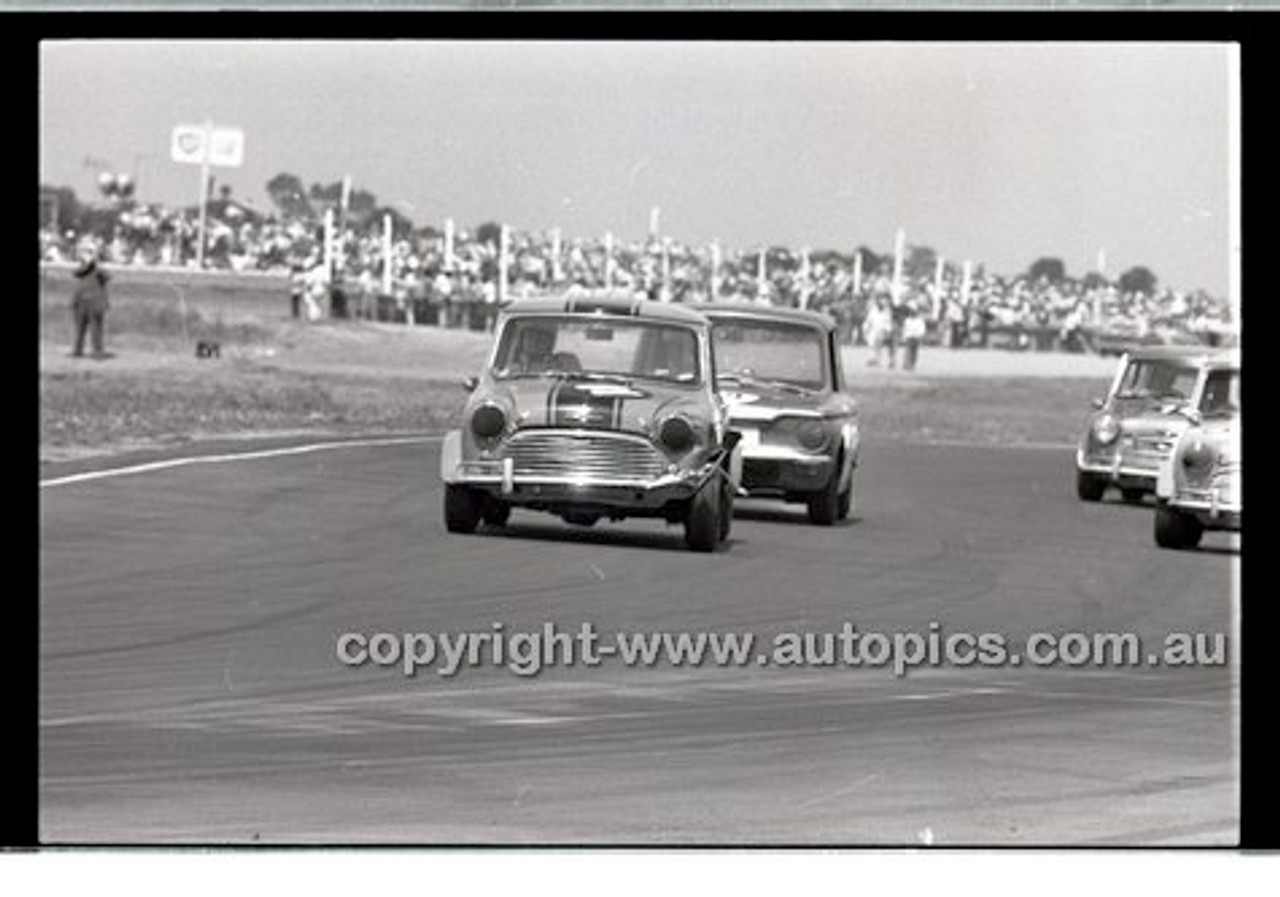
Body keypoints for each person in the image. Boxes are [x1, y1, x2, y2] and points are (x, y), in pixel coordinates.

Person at [70, 247, 110, 358]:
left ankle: (97, 351)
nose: (86, 257)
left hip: (95, 303)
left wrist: (95, 263)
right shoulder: (82, 269)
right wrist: (88, 263)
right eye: (85, 254)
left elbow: (107, 276)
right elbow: (77, 273)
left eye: (88, 254)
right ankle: (77, 350)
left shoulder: (99, 270)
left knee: (96, 329)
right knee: (79, 328)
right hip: (81, 303)